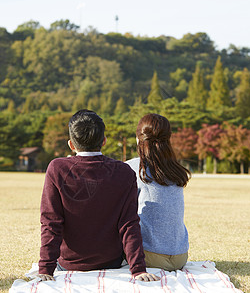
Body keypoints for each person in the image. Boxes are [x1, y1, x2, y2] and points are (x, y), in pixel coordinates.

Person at [38, 110, 159, 282]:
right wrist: (138, 269)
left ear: (71, 145)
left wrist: (45, 269)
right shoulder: (124, 172)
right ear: (104, 141)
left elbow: (51, 222)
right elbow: (129, 223)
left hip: (69, 263)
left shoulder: (57, 169)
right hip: (112, 261)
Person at [126, 113, 191, 271]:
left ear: (137, 139)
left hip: (148, 256)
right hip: (180, 256)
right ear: (168, 139)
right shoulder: (176, 170)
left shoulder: (133, 167)